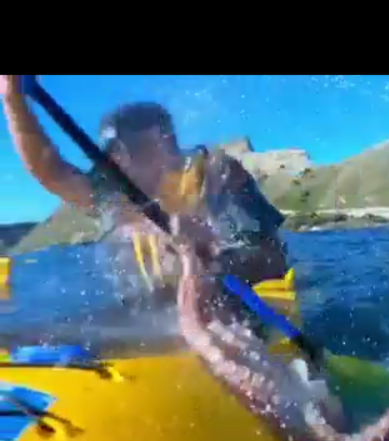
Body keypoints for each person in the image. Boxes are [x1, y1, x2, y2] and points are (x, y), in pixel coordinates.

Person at [0, 75, 289, 298]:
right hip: (149, 318)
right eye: (112, 153)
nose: (118, 162)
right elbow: (51, 171)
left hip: (239, 307)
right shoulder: (114, 192)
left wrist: (207, 259)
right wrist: (12, 98)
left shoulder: (214, 174)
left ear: (167, 142)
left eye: (131, 149)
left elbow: (271, 257)